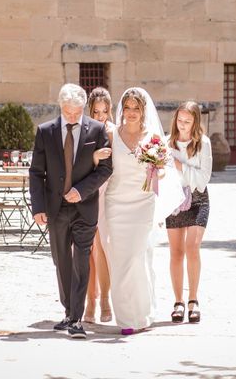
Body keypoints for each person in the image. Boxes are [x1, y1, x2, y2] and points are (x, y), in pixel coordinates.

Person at [29, 83, 112, 339]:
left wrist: (82, 190)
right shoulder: (45, 132)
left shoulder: (97, 130)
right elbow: (36, 172)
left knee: (81, 259)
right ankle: (68, 311)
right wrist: (38, 207)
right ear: (61, 108)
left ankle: (77, 318)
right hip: (55, 208)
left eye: (77, 113)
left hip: (85, 207)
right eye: (68, 113)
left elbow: (106, 169)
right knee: (61, 260)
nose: (73, 118)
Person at [100, 87, 184, 335]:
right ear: (122, 110)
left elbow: (164, 169)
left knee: (136, 258)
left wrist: (158, 170)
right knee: (120, 260)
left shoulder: (153, 138)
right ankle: (127, 318)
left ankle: (143, 314)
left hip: (142, 204)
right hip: (116, 203)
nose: (132, 112)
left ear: (143, 111)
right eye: (128, 108)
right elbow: (102, 164)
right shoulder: (112, 134)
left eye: (137, 108)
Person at [166, 101, 212, 324]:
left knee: (192, 247)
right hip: (174, 201)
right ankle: (178, 301)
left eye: (187, 121)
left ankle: (193, 299)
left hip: (198, 200)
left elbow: (203, 180)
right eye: (180, 120)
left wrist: (180, 166)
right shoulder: (166, 143)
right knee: (176, 252)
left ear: (195, 122)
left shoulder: (204, 144)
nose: (182, 125)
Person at [83, 87, 114, 324]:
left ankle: (105, 299)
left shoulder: (115, 133)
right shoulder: (83, 132)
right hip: (87, 194)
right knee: (86, 251)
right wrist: (93, 158)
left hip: (108, 195)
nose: (101, 116)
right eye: (96, 111)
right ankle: (89, 301)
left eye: (104, 111)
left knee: (102, 248)